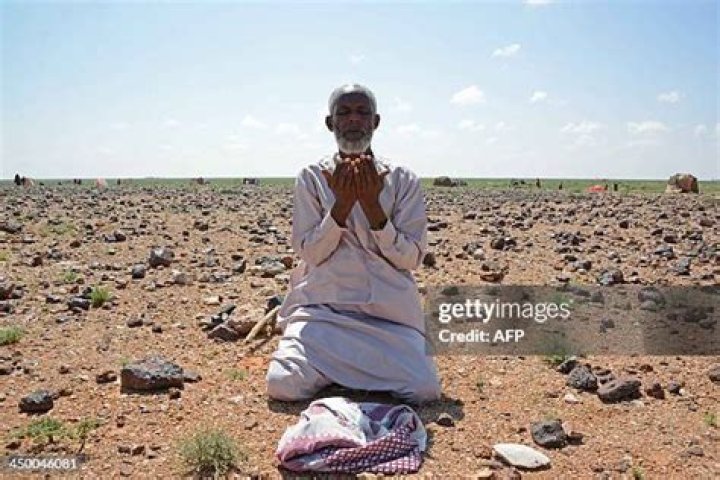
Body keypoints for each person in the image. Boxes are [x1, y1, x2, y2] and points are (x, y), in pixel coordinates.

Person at [266, 84, 441, 404]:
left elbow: (410, 259)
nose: (353, 120)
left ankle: (332, 375)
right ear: (330, 123)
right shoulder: (313, 177)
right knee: (281, 384)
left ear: (376, 122)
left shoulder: (402, 180)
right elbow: (310, 253)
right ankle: (353, 374)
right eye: (344, 113)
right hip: (323, 311)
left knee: (424, 389)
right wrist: (342, 206)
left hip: (388, 316)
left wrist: (373, 207)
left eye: (362, 112)